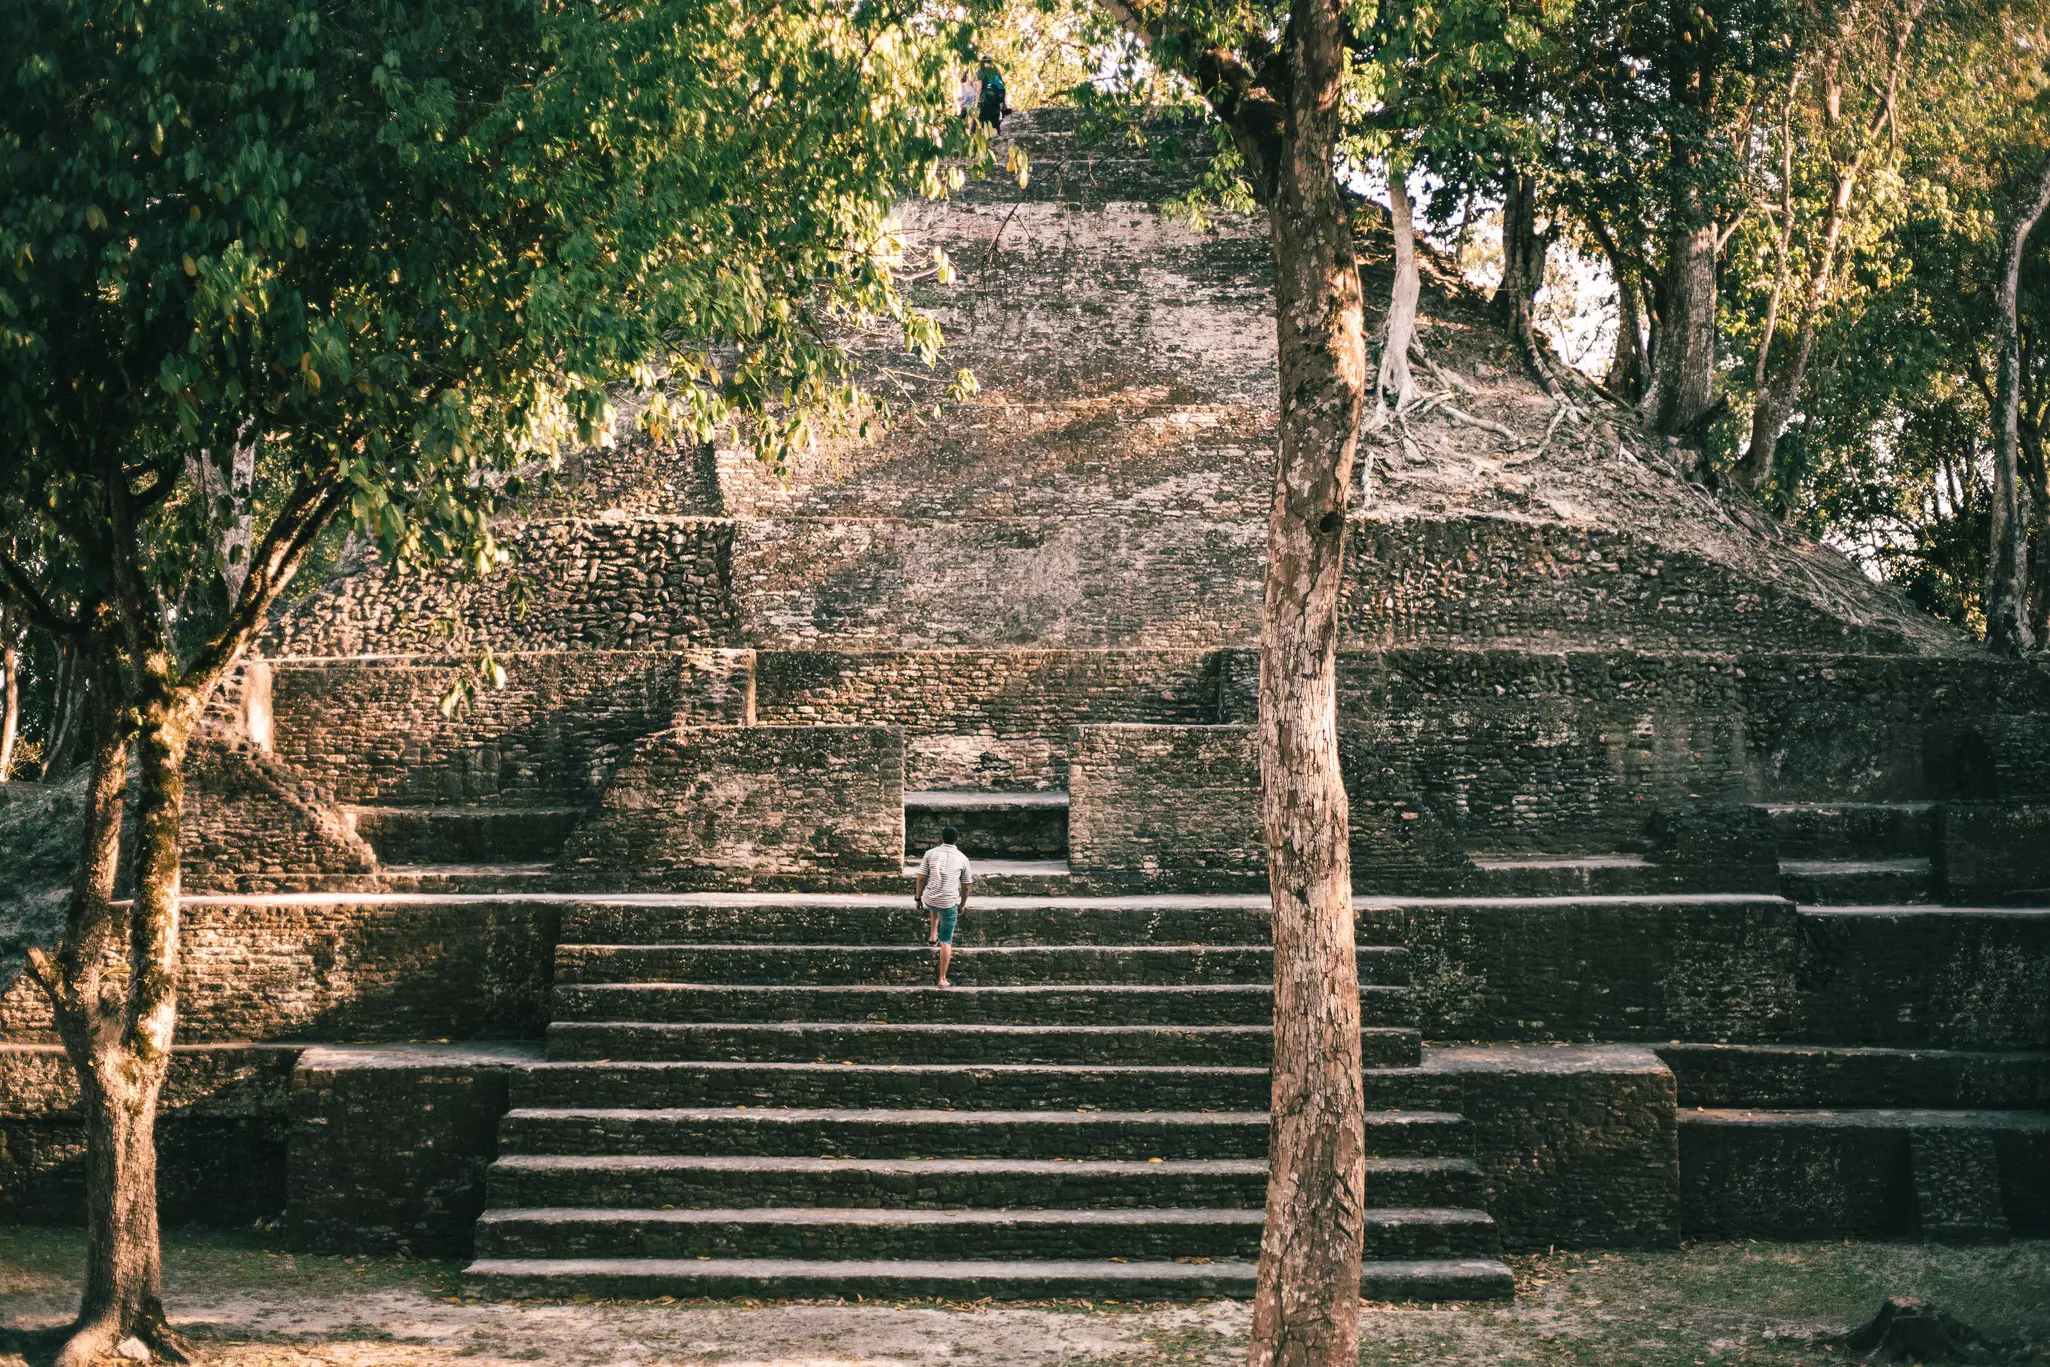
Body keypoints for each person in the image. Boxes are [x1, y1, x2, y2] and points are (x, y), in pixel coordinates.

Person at [915, 825, 973, 988]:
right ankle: (942, 979)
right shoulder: (963, 858)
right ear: (957, 840)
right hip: (948, 902)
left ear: (941, 838)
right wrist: (961, 905)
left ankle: (933, 934)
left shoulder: (930, 853)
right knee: (946, 940)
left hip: (930, 898)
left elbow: (920, 877)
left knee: (935, 899)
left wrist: (918, 899)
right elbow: (967, 886)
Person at [977, 63, 1007, 131]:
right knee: (995, 124)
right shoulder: (997, 72)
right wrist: (1004, 105)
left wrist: (976, 102)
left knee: (984, 124)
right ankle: (998, 139)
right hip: (996, 103)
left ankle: (988, 140)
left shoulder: (981, 71)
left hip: (985, 102)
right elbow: (1002, 89)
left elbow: (979, 87)